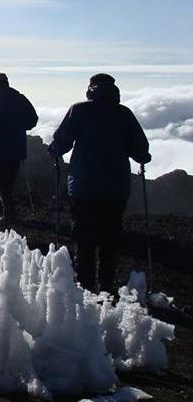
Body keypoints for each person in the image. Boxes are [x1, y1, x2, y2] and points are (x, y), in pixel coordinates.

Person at [49, 73, 151, 294]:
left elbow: (61, 143)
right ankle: (106, 289)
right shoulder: (124, 114)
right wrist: (143, 158)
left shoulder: (79, 110)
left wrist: (53, 151)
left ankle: (85, 291)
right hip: (115, 189)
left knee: (84, 241)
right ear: (114, 91)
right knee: (109, 241)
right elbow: (141, 149)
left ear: (90, 88)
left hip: (83, 188)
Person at [0, 73, 38, 226]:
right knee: (10, 179)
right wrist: (20, 127)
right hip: (17, 146)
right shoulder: (20, 99)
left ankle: (7, 212)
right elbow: (33, 119)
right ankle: (3, 206)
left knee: (2, 179)